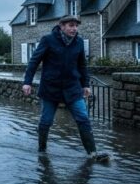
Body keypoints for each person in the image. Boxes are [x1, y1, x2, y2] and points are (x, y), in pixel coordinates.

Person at [21, 15, 108, 162]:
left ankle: (93, 153)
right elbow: (34, 61)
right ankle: (42, 150)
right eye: (71, 25)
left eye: (76, 26)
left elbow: (82, 65)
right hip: (51, 88)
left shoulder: (79, 42)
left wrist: (85, 84)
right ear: (62, 26)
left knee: (83, 118)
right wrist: (27, 82)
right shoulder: (48, 40)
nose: (74, 29)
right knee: (46, 121)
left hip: (72, 88)